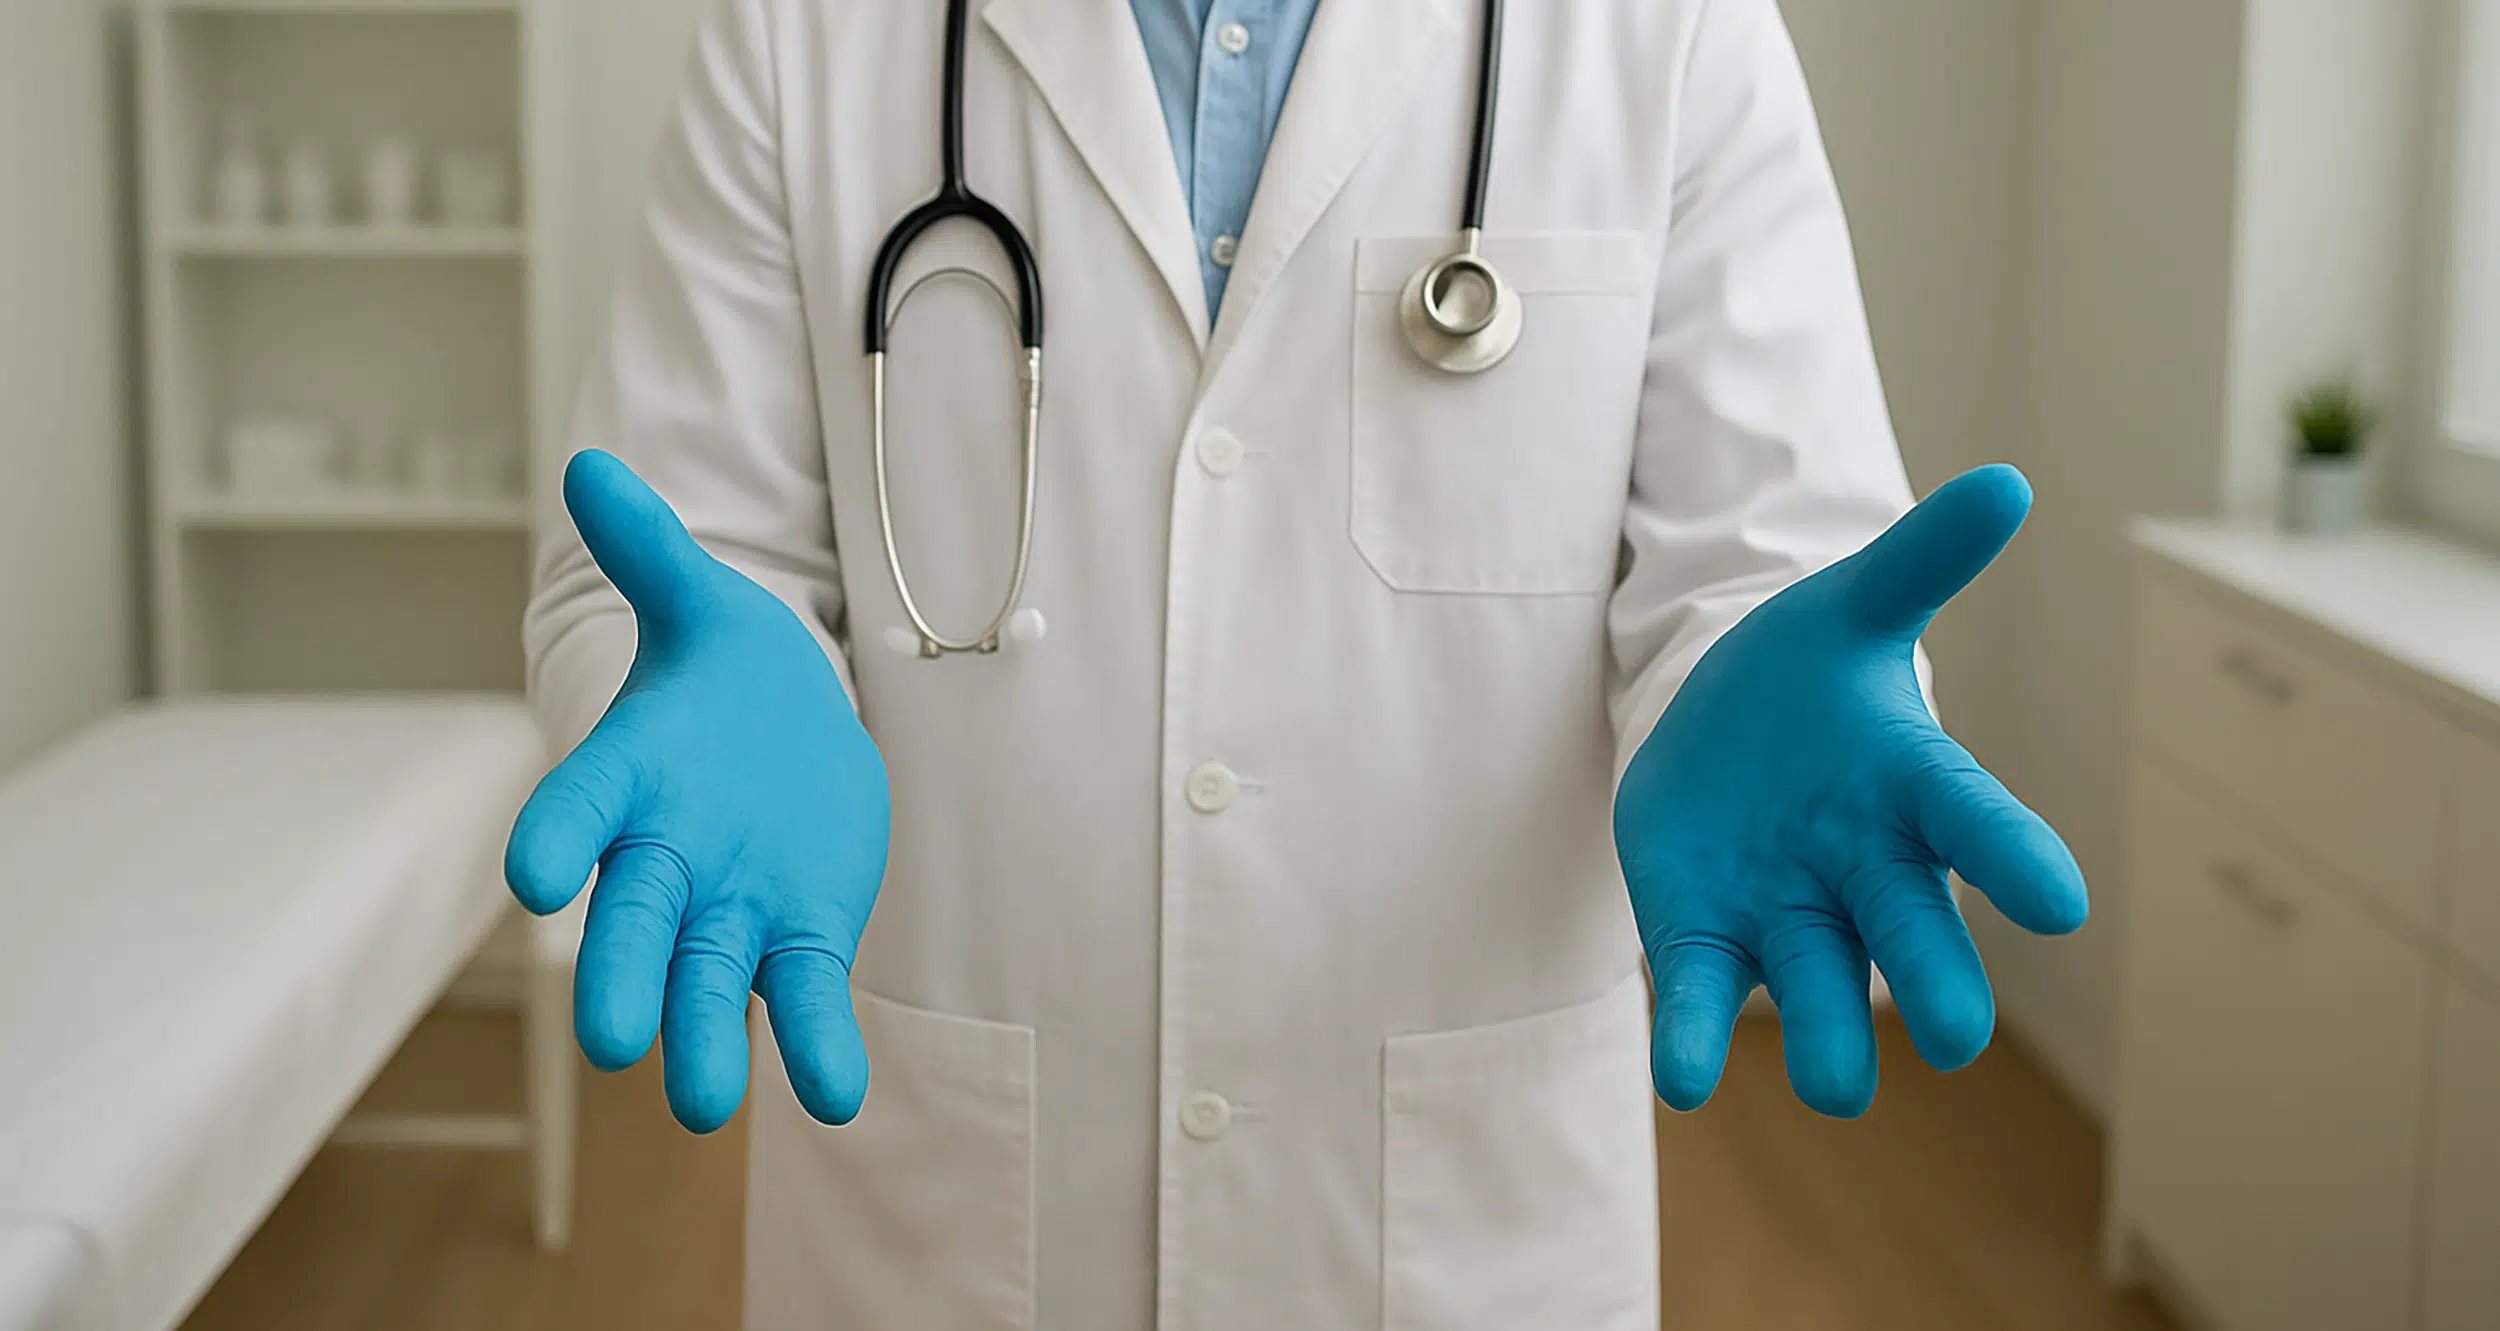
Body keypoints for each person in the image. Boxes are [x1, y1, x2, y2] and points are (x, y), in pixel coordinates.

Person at [505, 0, 2089, 1326]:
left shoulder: (1665, 28)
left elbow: (1771, 558)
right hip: (952, 1214)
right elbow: (664, 552)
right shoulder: (804, 28)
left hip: (1465, 1233)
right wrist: (692, 671)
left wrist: (1759, 665)